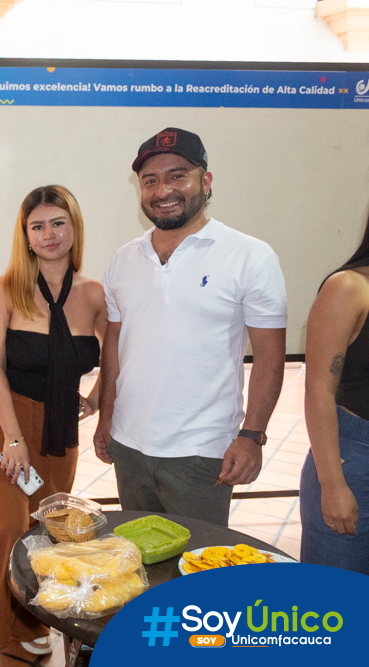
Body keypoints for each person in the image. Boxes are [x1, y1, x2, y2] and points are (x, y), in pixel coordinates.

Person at [93, 127, 287, 527]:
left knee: (198, 570)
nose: (163, 189)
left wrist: (252, 436)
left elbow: (270, 354)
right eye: (151, 180)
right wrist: (106, 418)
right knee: (137, 561)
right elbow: (114, 343)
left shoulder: (250, 255)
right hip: (128, 446)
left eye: (177, 175)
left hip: (202, 452)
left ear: (206, 180)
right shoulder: (124, 259)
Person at [0, 185, 106, 666]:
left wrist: (96, 400)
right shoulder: (4, 288)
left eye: (58, 223)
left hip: (59, 424)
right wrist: (13, 438)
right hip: (3, 417)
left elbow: (118, 356)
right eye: (37, 226)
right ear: (25, 236)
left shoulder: (93, 294)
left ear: (74, 228)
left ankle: (28, 621)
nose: (49, 235)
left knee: (43, 528)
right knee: (6, 523)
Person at [300, 223, 369, 574]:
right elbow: (318, 390)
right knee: (336, 603)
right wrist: (332, 483)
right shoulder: (350, 288)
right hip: (355, 459)